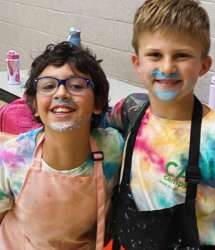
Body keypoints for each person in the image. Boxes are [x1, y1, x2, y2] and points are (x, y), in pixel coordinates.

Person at [104, 0, 215, 249]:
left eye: (181, 55)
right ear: (137, 63)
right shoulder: (130, 109)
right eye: (155, 55)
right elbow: (97, 126)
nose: (167, 67)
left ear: (204, 65)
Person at [0, 41, 124, 250]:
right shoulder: (12, 157)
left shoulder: (113, 148)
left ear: (98, 103)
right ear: (34, 105)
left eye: (76, 85)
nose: (61, 94)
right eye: (48, 86)